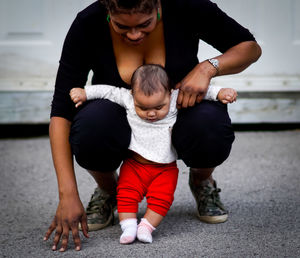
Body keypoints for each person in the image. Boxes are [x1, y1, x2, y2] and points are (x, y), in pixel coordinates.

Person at [44, 0, 261, 252]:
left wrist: (207, 68)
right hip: (116, 117)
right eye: (121, 26)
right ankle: (108, 190)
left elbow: (250, 48)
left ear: (159, 4)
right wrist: (68, 194)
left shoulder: (187, 6)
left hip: (179, 112)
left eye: (145, 24)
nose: (134, 34)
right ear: (107, 11)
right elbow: (61, 110)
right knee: (91, 126)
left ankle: (202, 181)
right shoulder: (87, 23)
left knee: (210, 125)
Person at [69, 64, 237, 244]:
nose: (151, 113)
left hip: (165, 168)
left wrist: (220, 93)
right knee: (126, 194)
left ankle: (146, 227)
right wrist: (85, 93)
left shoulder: (174, 100)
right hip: (134, 164)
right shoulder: (128, 99)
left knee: (161, 199)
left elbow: (203, 92)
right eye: (142, 108)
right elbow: (108, 91)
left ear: (170, 94)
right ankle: (128, 227)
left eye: (159, 107)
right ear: (133, 95)